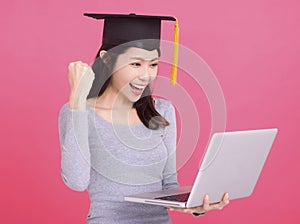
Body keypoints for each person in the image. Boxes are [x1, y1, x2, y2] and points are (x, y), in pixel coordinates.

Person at [58, 13, 229, 224]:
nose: (146, 75)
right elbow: (76, 181)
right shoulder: (78, 112)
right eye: (136, 64)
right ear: (107, 58)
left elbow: (168, 185)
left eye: (153, 64)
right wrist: (77, 99)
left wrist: (193, 204)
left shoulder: (162, 111)